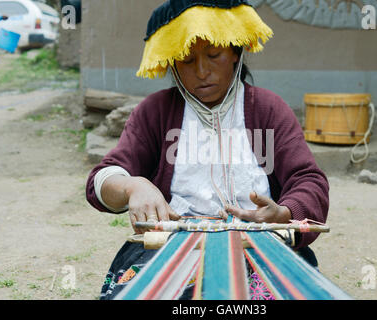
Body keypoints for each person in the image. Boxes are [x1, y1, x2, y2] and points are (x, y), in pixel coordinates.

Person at [86, 0, 329, 300]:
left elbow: (309, 180)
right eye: (187, 60)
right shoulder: (155, 113)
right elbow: (102, 177)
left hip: (262, 245)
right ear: (172, 63)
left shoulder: (268, 110)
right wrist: (133, 186)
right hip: (172, 247)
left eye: (214, 55)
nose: (202, 71)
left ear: (236, 52)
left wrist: (284, 212)